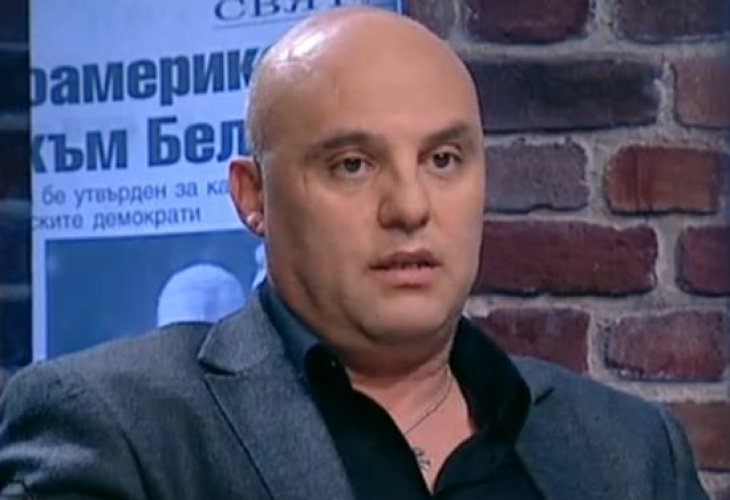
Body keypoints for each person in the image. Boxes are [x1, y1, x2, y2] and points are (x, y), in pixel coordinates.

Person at [0, 7, 708, 500]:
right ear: (253, 196)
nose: (409, 206)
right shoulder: (117, 427)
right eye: (351, 165)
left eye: (443, 158)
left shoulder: (634, 449)